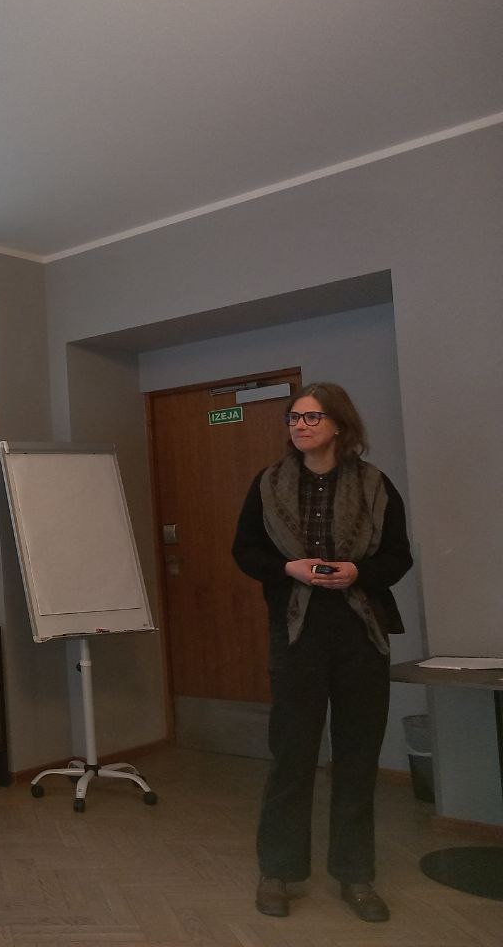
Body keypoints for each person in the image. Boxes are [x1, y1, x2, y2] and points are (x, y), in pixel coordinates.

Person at [231, 383, 412, 922]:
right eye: (293, 418)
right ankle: (278, 871)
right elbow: (245, 551)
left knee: (357, 759)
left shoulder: (377, 485)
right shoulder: (267, 484)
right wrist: (288, 568)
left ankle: (355, 875)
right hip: (297, 635)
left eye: (311, 417)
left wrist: (359, 572)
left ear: (339, 424)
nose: (300, 426)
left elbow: (398, 557)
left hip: (361, 636)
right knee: (292, 756)